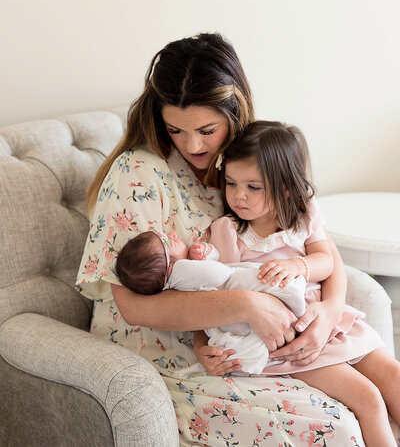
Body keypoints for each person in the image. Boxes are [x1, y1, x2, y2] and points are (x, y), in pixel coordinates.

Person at [75, 32, 396, 446]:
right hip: (173, 358)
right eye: (176, 129)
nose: (193, 145)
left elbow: (319, 244)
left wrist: (331, 311)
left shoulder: (244, 164)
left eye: (207, 129)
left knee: (387, 388)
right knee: (341, 425)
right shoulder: (136, 174)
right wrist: (246, 304)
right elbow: (133, 306)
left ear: (234, 109)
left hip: (256, 336)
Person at [194, 120, 400, 447]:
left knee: (394, 376)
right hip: (289, 346)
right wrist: (200, 345)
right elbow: (207, 297)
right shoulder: (228, 233)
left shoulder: (302, 216)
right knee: (368, 398)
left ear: (286, 188)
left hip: (327, 323)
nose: (238, 196)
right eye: (231, 183)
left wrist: (298, 265)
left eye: (253, 187)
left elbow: (326, 261)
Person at [113, 228, 308, 374]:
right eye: (168, 241)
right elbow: (219, 274)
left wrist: (204, 253)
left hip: (236, 319)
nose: (173, 235)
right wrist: (202, 262)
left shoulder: (178, 278)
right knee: (251, 279)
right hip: (240, 303)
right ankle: (292, 294)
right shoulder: (181, 271)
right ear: (170, 266)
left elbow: (213, 265)